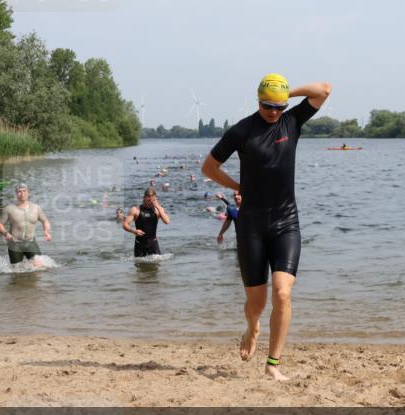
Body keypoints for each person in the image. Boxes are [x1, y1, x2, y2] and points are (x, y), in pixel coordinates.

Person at [201, 73, 331, 380]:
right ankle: (251, 327)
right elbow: (208, 166)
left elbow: (324, 89)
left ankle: (273, 365)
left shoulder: (292, 120)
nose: (273, 112)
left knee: (283, 293)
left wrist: (287, 93)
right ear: (257, 101)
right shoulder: (242, 130)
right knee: (256, 304)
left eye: (278, 106)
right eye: (267, 105)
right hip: (251, 225)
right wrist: (237, 185)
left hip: (287, 222)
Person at [0, 183, 52, 267]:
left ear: (28, 192)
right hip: (14, 244)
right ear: (16, 193)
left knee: (40, 266)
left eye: (24, 191)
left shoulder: (36, 208)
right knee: (16, 271)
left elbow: (45, 221)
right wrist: (5, 233)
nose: (22, 194)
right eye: (19, 191)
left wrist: (46, 232)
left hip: (30, 243)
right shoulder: (9, 209)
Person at [123, 187, 171, 257]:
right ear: (144, 198)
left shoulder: (158, 210)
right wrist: (134, 231)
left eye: (152, 200)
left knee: (156, 266)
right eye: (148, 200)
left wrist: (158, 207)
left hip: (153, 244)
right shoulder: (135, 210)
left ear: (155, 199)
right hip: (139, 244)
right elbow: (125, 225)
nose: (150, 202)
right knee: (139, 265)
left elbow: (167, 221)